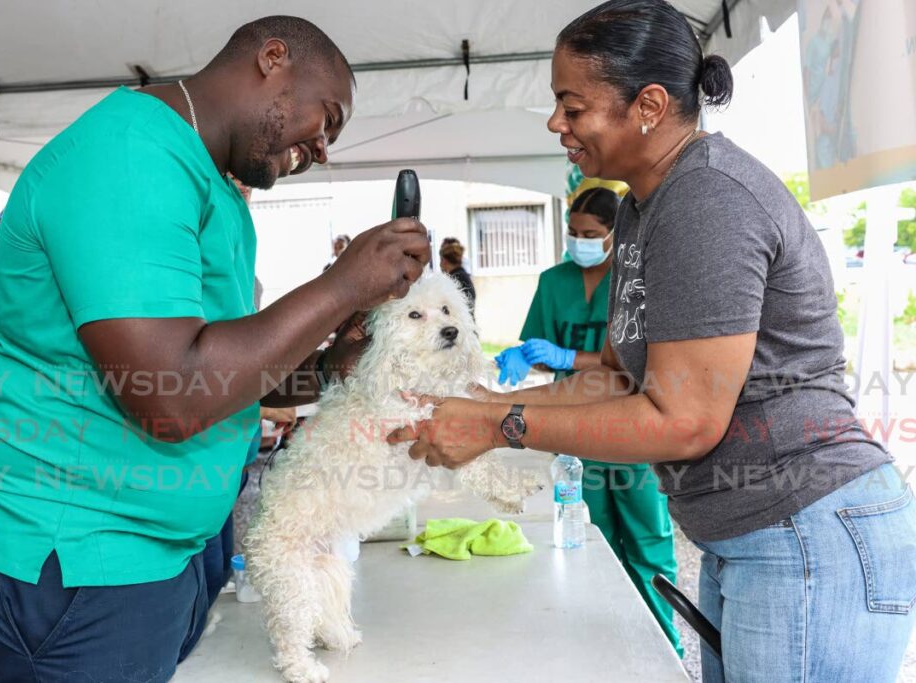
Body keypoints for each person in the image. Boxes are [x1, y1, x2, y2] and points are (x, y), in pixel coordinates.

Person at [389, 2, 916, 681]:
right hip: (754, 534)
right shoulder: (646, 206)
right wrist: (482, 400)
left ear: (649, 105)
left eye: (571, 107)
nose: (556, 124)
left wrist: (497, 424)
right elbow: (615, 377)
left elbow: (685, 419)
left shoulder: (707, 200)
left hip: (804, 527)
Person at [0, 15, 429, 682]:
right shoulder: (129, 157)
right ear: (272, 59)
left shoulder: (211, 186)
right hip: (64, 556)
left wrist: (334, 359)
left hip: (153, 552)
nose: (324, 149)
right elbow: (167, 392)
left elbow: (227, 372)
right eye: (325, 119)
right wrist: (339, 285)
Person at [498, 186, 682, 654]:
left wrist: (569, 356)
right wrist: (524, 357)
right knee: (590, 543)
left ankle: (665, 648)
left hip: (632, 428)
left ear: (613, 235)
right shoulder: (552, 281)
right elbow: (540, 349)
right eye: (572, 233)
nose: (579, 241)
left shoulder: (636, 281)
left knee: (647, 546)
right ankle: (608, 653)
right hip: (574, 432)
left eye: (590, 234)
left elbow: (633, 363)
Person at [439, 237, 475, 314]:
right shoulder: (462, 275)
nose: (440, 264)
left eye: (441, 260)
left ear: (444, 261)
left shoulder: (455, 279)